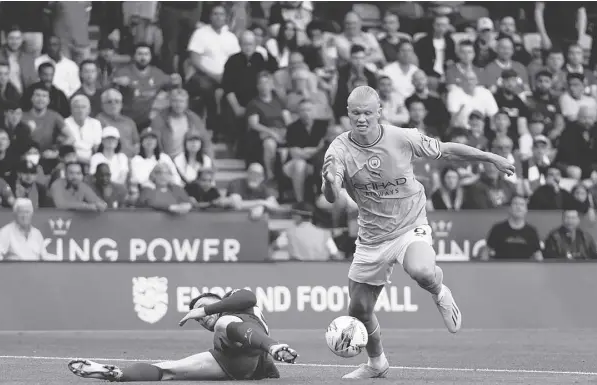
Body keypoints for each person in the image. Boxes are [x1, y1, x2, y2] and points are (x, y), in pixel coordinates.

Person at [321, 85, 515, 378]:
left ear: (379, 113)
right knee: (358, 309)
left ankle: (440, 291)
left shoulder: (402, 137)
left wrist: (490, 157)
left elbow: (447, 150)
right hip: (371, 237)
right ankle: (377, 364)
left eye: (368, 113)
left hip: (410, 225)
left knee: (422, 271)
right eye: (356, 113)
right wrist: (330, 184)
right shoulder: (338, 150)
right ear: (348, 113)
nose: (362, 119)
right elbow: (332, 195)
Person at [68, 289, 297, 381]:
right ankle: (116, 374)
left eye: (203, 308)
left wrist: (205, 309)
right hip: (231, 358)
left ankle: (273, 348)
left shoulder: (236, 302)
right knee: (170, 370)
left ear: (218, 300)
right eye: (198, 319)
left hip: (255, 353)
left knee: (226, 321)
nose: (201, 317)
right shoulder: (221, 328)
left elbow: (249, 298)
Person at [480, 195, 542, 260]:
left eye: (522, 205)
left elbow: (538, 255)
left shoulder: (531, 232)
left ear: (526, 210)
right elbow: (485, 253)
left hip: (524, 269)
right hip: (501, 268)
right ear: (509, 208)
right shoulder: (498, 229)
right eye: (515, 204)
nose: (518, 207)